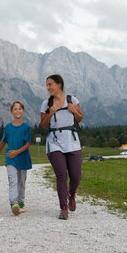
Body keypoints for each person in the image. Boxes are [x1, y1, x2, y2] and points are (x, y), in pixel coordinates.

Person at [40, 74, 84, 220]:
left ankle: (72, 194)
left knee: (76, 175)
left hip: (72, 141)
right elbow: (44, 125)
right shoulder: (46, 103)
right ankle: (63, 208)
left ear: (59, 84)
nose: (48, 87)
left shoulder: (72, 100)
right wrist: (49, 114)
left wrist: (74, 111)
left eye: (50, 84)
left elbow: (80, 118)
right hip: (54, 142)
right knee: (61, 175)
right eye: (47, 85)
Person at [0, 101, 32, 216]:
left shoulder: (27, 127)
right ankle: (13, 204)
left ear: (23, 111)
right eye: (15, 109)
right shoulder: (8, 127)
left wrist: (17, 152)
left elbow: (27, 144)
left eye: (20, 109)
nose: (17, 111)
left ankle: (20, 203)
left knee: (21, 182)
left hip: (23, 158)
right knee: (13, 180)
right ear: (11, 112)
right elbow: (3, 142)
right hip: (10, 158)